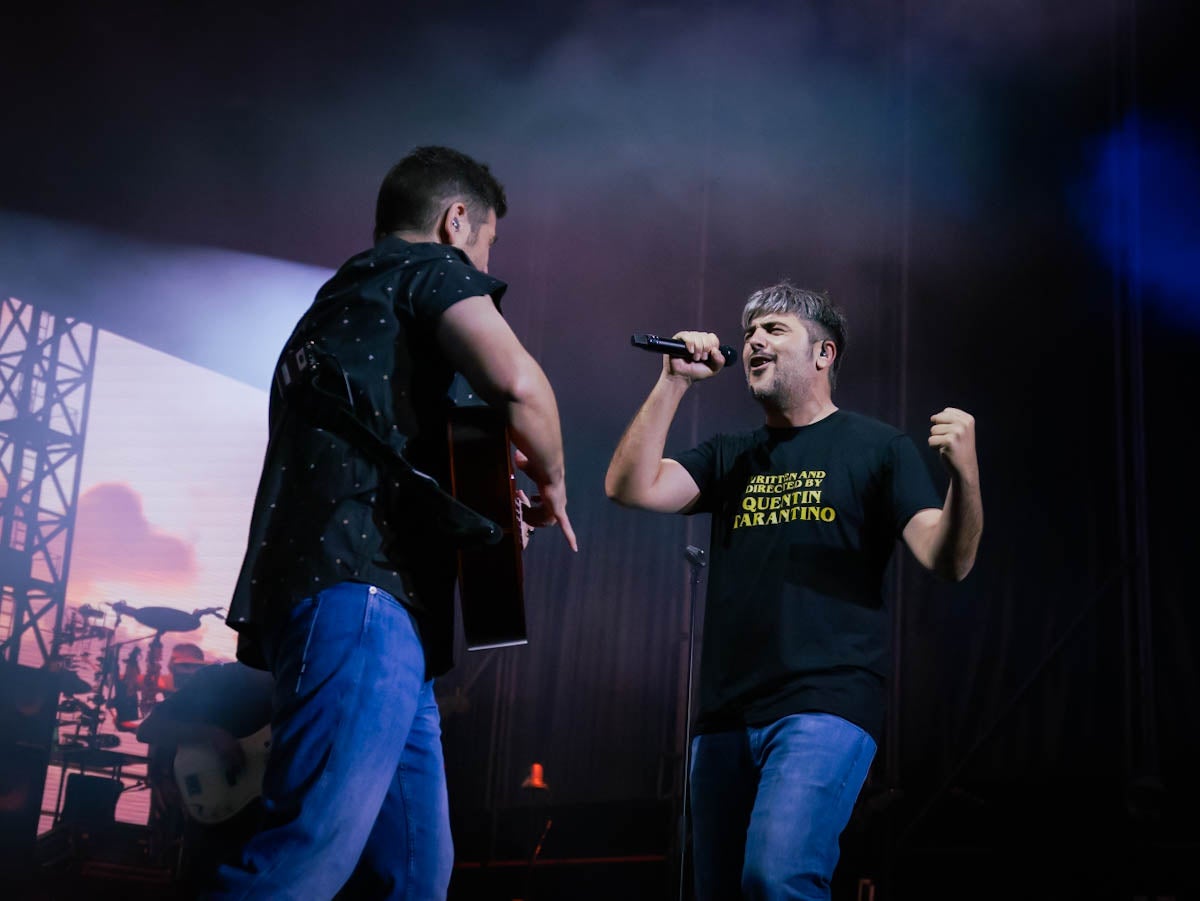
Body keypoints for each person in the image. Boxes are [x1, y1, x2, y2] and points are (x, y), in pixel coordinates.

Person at [208, 145, 577, 900]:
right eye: (485, 243)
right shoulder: (430, 271)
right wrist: (554, 483)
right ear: (456, 220)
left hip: (353, 601)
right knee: (303, 857)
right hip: (361, 595)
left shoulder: (332, 310)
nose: (480, 261)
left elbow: (376, 440)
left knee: (413, 873)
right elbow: (518, 384)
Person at [604, 281, 982, 900]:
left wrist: (964, 478)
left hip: (825, 702)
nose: (754, 340)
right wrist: (674, 382)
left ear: (824, 354)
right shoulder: (732, 455)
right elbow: (630, 487)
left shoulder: (877, 447)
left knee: (777, 878)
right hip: (725, 714)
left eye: (774, 329)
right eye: (749, 331)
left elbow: (948, 559)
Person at [136, 655, 274, 895]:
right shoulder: (218, 679)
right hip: (214, 819)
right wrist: (211, 735)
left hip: (264, 822)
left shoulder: (299, 689)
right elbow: (149, 729)